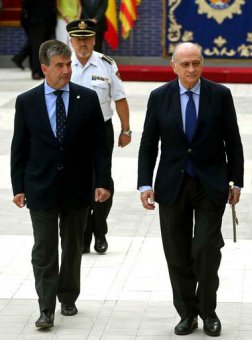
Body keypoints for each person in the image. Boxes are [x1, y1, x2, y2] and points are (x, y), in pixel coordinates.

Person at [137, 42, 244, 337]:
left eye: (196, 63)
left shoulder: (220, 95)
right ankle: (187, 313)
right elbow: (148, 144)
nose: (191, 69)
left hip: (211, 183)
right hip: (172, 186)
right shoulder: (159, 97)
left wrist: (236, 181)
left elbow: (233, 141)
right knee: (177, 253)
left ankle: (209, 312)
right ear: (173, 66)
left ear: (202, 64)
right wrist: (145, 183)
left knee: (206, 249)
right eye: (185, 64)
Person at [10, 39, 111, 328]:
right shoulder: (27, 101)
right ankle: (46, 307)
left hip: (77, 187)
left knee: (72, 244)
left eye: (68, 64)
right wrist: (18, 186)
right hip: (40, 187)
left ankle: (68, 296)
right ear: (45, 68)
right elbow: (20, 146)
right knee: (43, 248)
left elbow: (100, 147)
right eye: (60, 66)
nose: (67, 70)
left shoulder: (87, 98)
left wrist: (102, 182)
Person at [67, 19, 131, 254]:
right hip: (70, 133)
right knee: (77, 182)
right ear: (71, 41)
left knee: (103, 180)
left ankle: (100, 231)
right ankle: (83, 234)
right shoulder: (64, 64)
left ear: (94, 40)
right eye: (78, 39)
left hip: (100, 131)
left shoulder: (106, 64)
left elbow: (120, 98)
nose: (82, 44)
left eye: (87, 39)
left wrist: (126, 130)